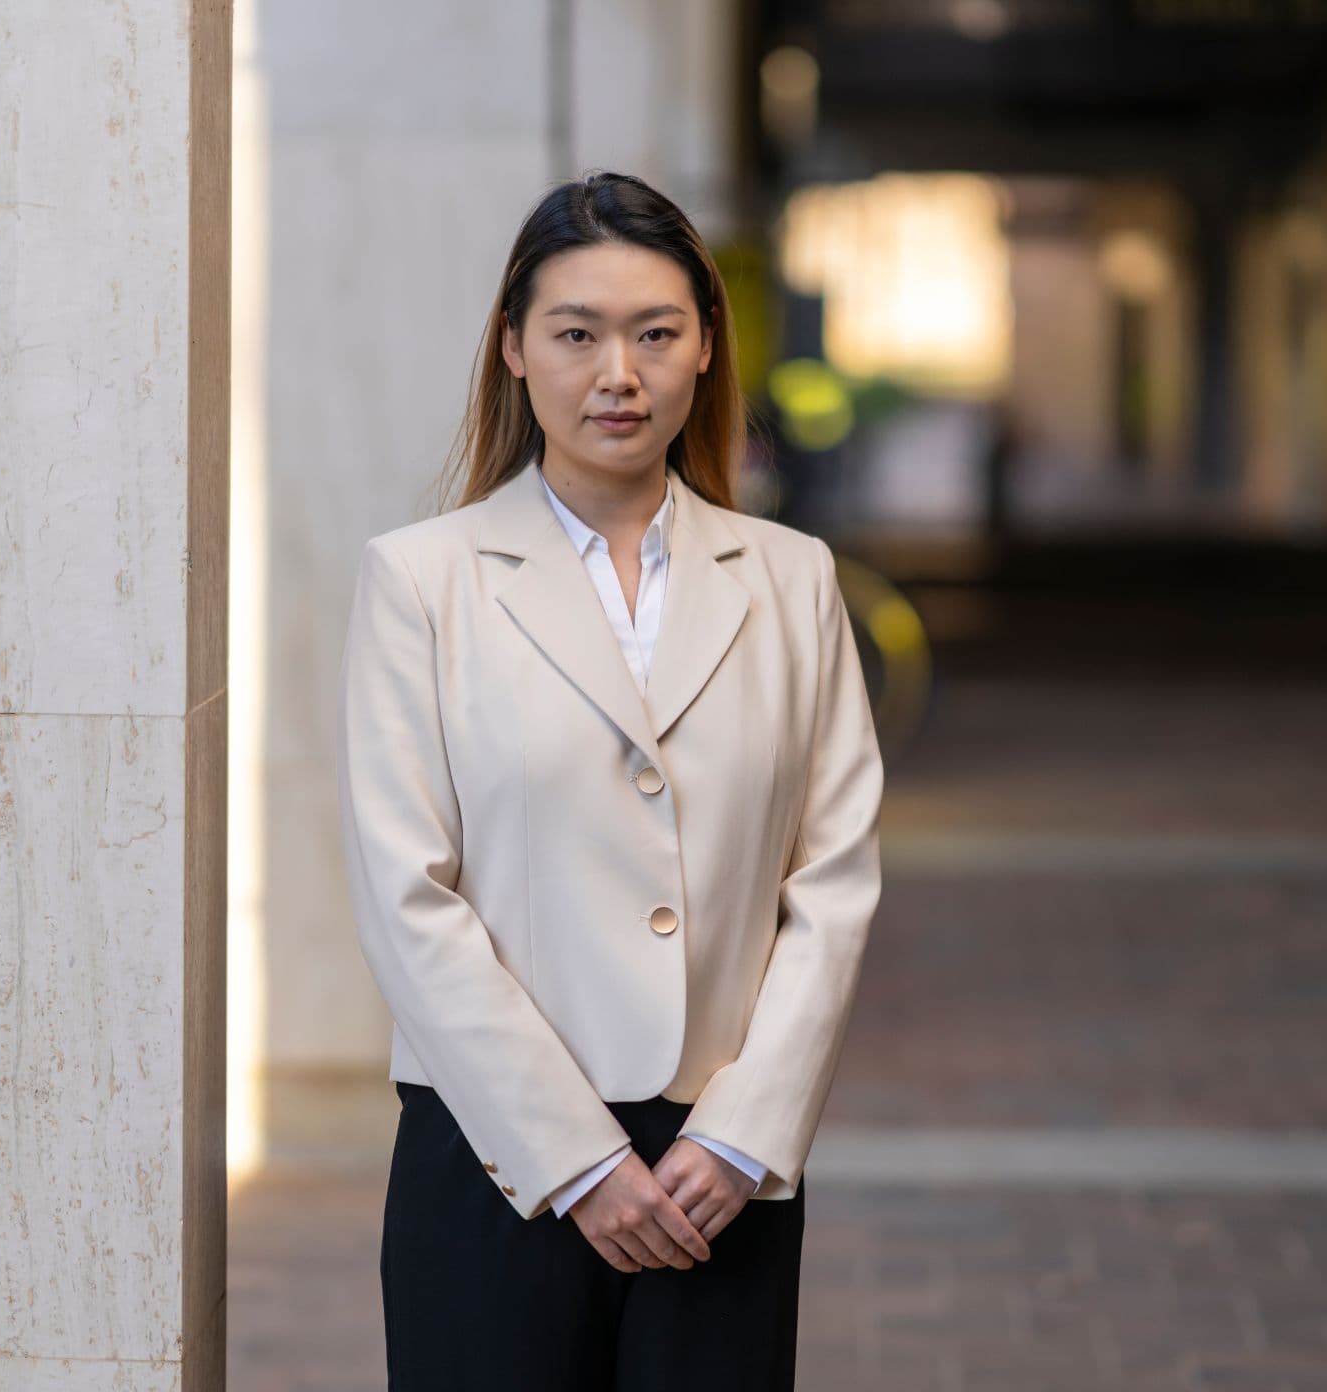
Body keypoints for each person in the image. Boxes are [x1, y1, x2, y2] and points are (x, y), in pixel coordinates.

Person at [335, 170, 884, 1390]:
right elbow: (404, 894)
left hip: (718, 1174)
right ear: (515, 350)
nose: (616, 373)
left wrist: (746, 1133)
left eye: (654, 333)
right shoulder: (423, 582)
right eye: (576, 333)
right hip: (495, 1158)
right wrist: (574, 1158)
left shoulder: (791, 583)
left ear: (702, 352)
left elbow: (833, 882)